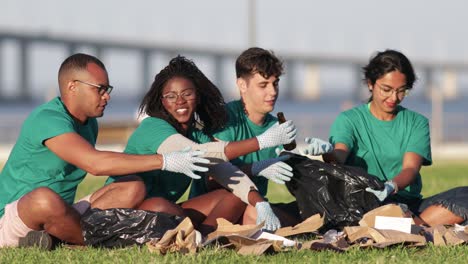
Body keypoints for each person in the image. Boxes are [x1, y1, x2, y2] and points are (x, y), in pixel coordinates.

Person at [0, 53, 211, 248]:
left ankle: (57, 238)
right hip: (15, 217)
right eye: (99, 89)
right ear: (72, 86)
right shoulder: (47, 119)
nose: (106, 96)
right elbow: (95, 163)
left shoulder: (89, 123)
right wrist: (165, 160)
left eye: (107, 89)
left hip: (65, 213)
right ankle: (89, 241)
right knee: (44, 198)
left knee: (132, 186)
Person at [104, 55, 297, 234]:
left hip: (167, 211)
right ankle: (191, 233)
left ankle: (204, 237)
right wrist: (261, 142)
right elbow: (198, 152)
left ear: (198, 96)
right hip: (127, 212)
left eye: (187, 94)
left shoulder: (196, 133)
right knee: (158, 205)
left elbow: (226, 171)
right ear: (162, 102)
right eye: (171, 96)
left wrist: (259, 202)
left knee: (233, 196)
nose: (180, 101)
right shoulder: (153, 126)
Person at [323, 49, 468, 226]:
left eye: (402, 91)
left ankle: (410, 224)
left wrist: (391, 186)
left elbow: (410, 169)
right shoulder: (349, 120)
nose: (394, 98)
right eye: (386, 89)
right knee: (387, 211)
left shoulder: (417, 122)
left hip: (408, 203)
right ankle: (416, 225)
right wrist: (328, 152)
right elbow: (339, 155)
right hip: (364, 203)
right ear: (370, 83)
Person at [190, 47, 333, 227]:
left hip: (255, 207)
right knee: (249, 209)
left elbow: (292, 173)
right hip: (215, 207)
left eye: (275, 83)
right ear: (242, 85)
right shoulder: (224, 120)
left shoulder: (277, 126)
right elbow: (212, 181)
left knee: (315, 213)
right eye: (263, 85)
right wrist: (256, 168)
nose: (273, 92)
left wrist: (321, 157)